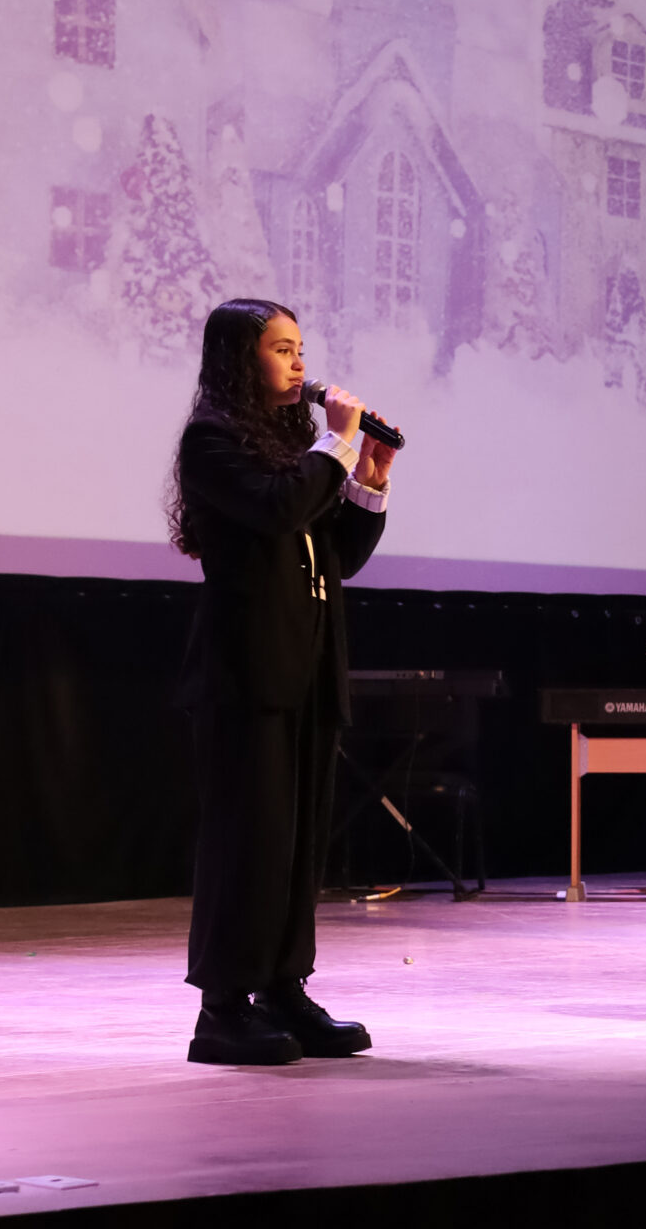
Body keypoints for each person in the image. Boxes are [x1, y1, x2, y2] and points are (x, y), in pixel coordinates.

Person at [168, 299, 397, 1063]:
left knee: (297, 844)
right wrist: (337, 440)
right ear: (240, 359)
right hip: (246, 675)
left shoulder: (286, 448)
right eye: (281, 349)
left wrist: (368, 479)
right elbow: (276, 512)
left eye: (302, 348)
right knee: (247, 843)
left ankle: (284, 989)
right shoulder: (213, 441)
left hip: (305, 670)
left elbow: (335, 555)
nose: (300, 363)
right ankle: (223, 1009)